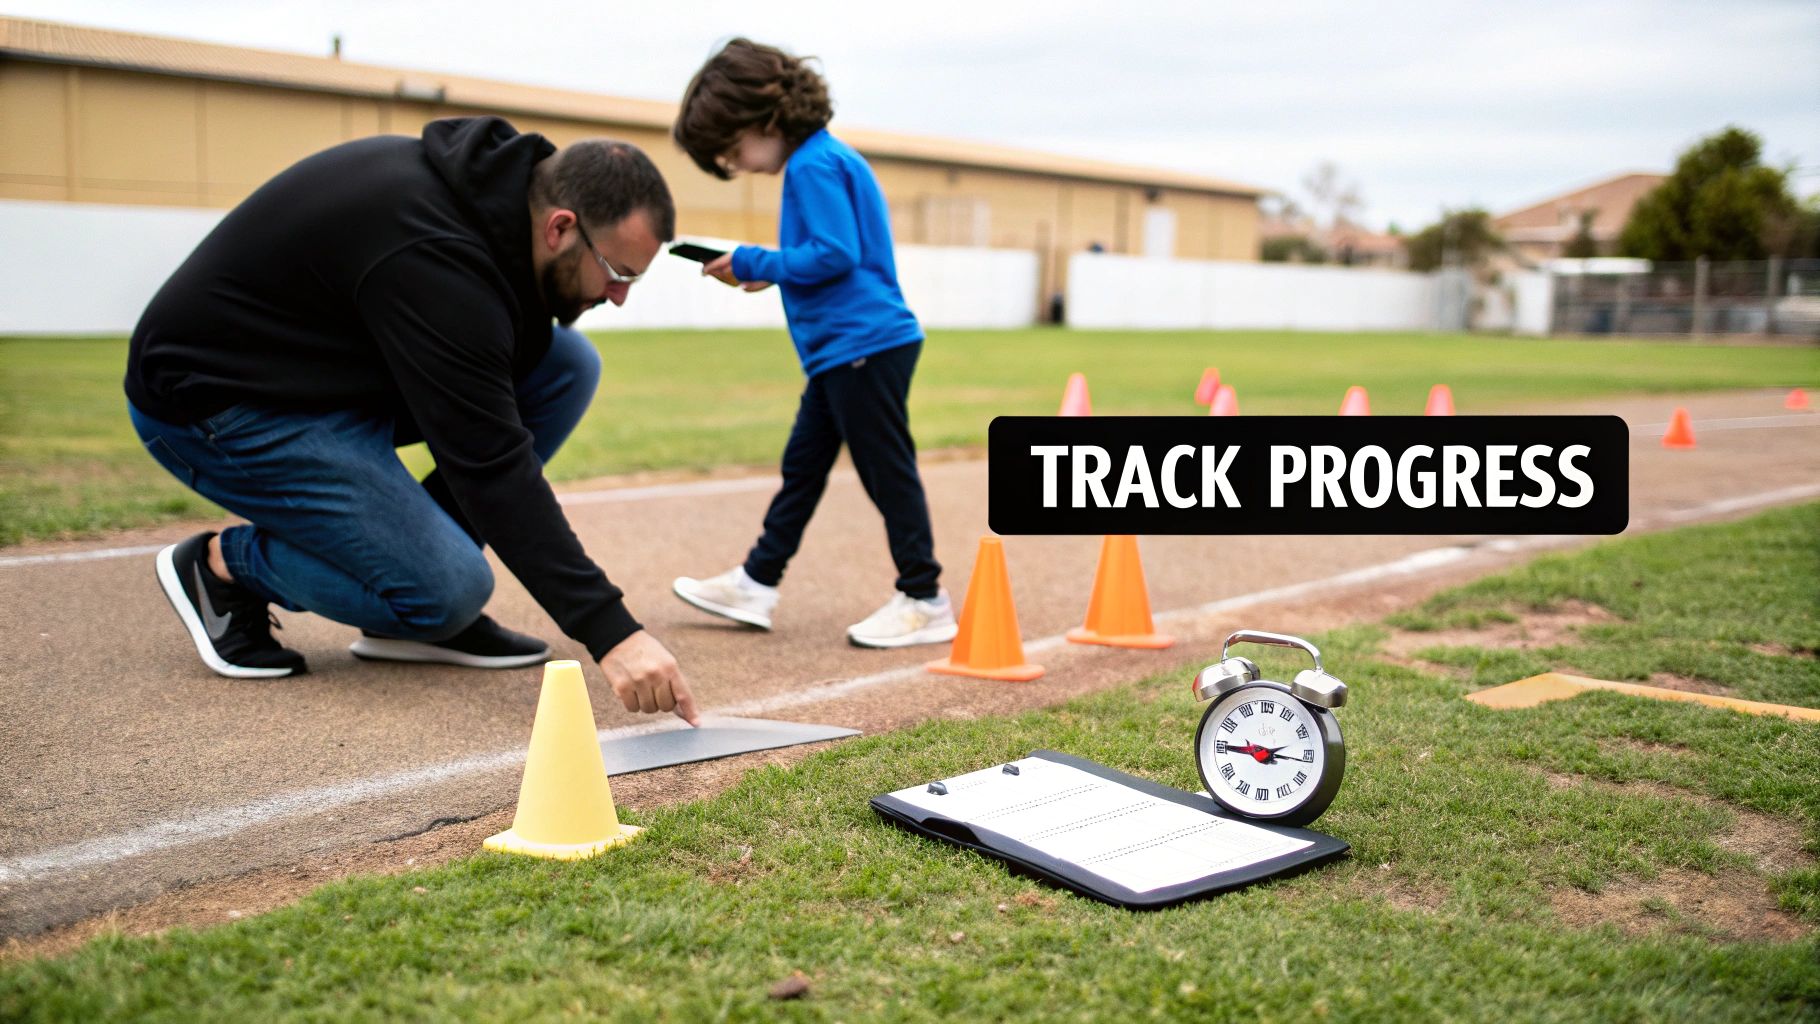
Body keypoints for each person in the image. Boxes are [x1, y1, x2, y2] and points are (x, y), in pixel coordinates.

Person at [125, 115, 698, 724]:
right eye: (619, 274)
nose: (619, 298)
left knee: (567, 364)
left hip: (331, 372)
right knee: (451, 590)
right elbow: (491, 465)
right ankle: (224, 567)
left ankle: (416, 602)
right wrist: (612, 633)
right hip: (221, 404)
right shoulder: (436, 260)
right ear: (560, 227)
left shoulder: (497, 206)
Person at [669, 38, 954, 649]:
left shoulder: (811, 165)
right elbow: (829, 259)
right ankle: (756, 581)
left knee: (886, 471)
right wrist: (766, 272)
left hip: (863, 344)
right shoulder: (825, 159)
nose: (736, 163)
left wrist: (752, 258)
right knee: (803, 468)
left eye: (733, 147)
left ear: (766, 117)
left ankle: (925, 598)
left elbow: (835, 253)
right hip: (844, 348)